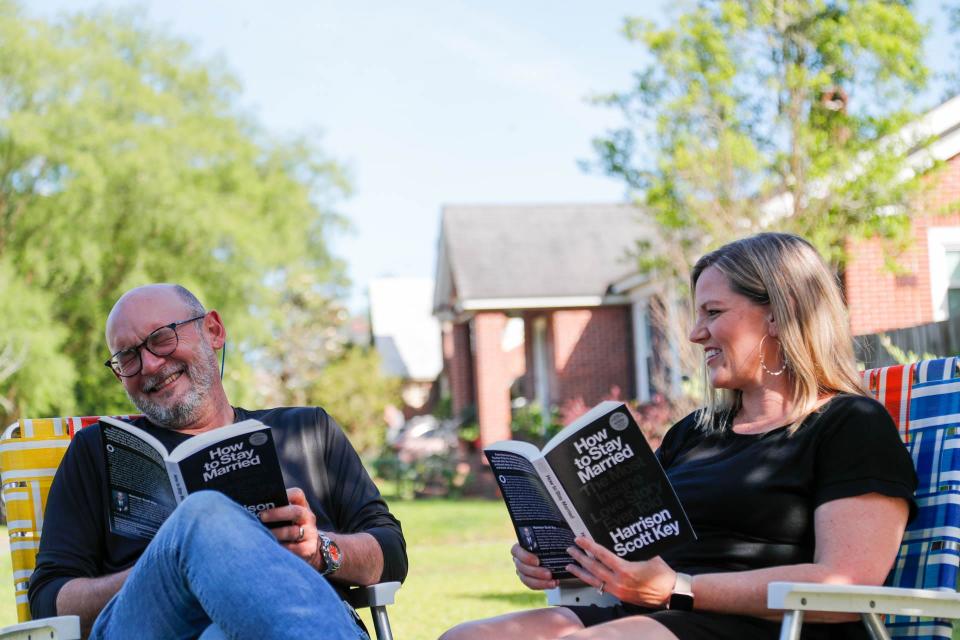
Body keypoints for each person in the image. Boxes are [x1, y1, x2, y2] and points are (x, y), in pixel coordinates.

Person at [442, 232, 917, 640]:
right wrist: (561, 559)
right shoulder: (694, 433)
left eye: (712, 312)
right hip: (653, 613)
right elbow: (638, 550)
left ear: (779, 314)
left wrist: (679, 589)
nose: (695, 333)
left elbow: (847, 586)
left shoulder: (850, 424)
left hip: (769, 626)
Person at [28, 284, 407, 640]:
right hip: (154, 625)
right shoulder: (96, 451)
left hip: (304, 616)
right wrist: (178, 563)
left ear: (213, 330)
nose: (150, 365)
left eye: (161, 338)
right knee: (203, 517)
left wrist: (321, 550)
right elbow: (48, 599)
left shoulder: (308, 429)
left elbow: (390, 553)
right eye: (127, 356)